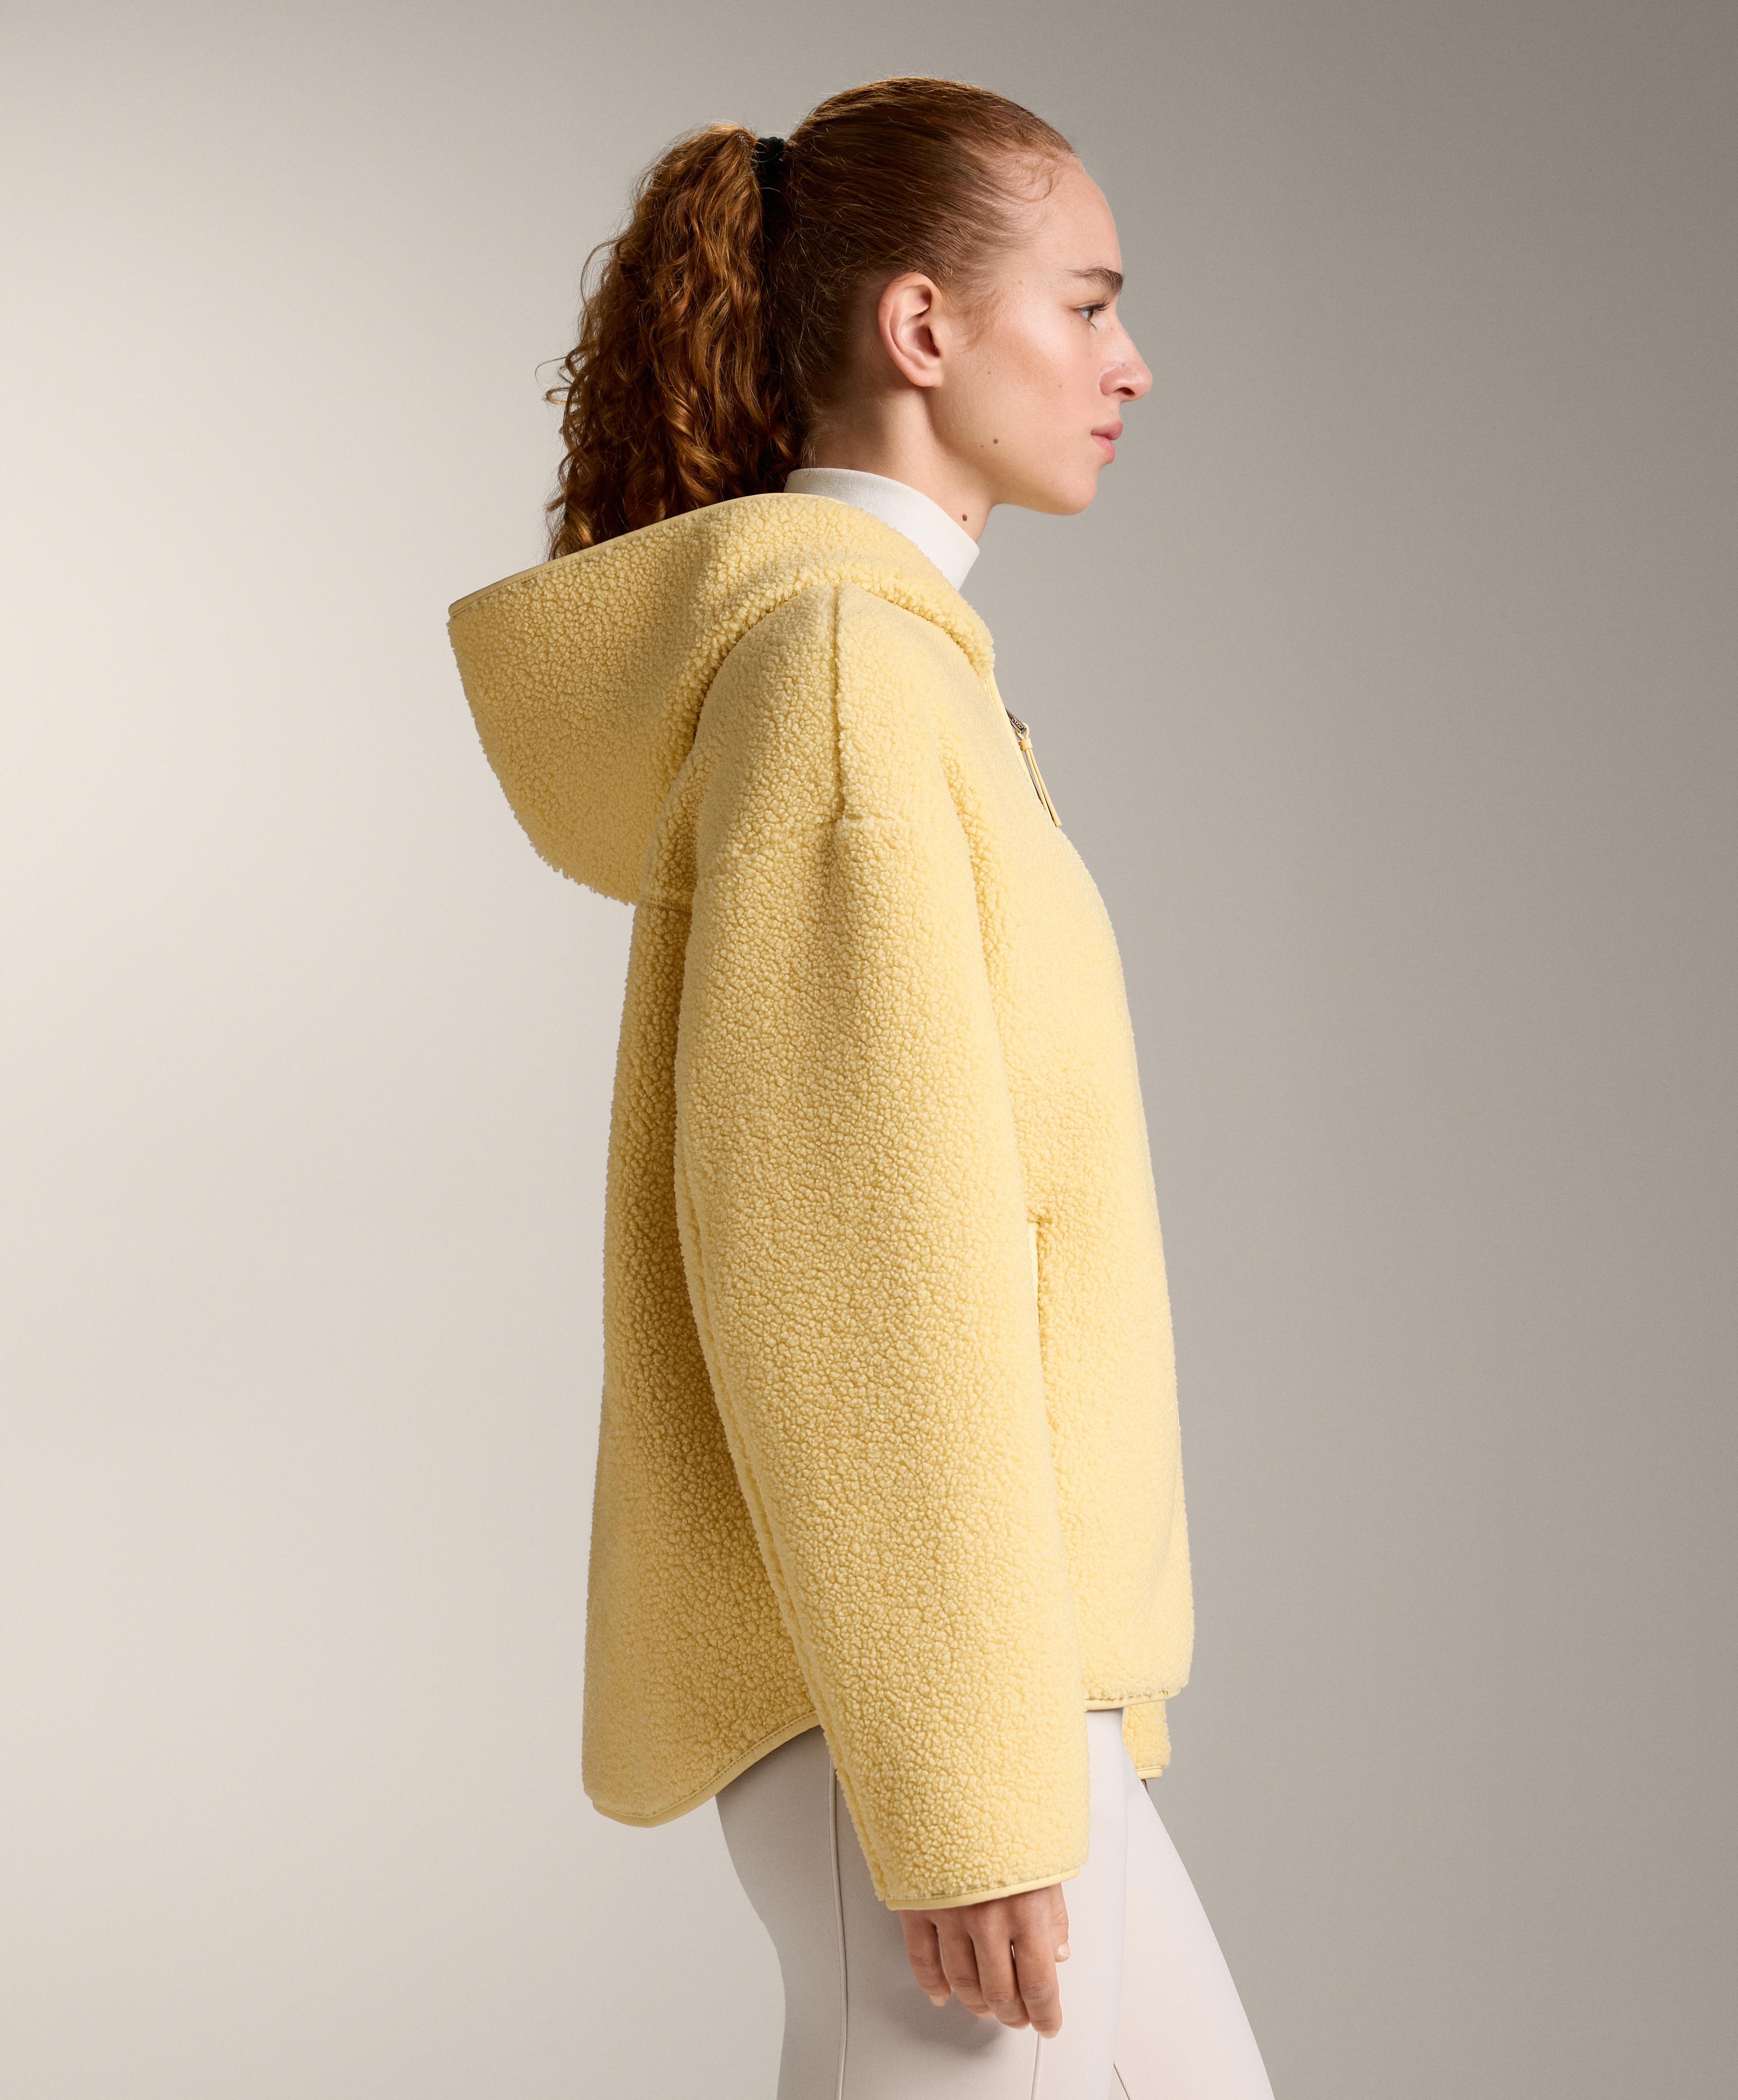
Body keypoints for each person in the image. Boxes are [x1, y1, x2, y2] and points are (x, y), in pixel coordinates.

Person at [449, 74, 1274, 2100]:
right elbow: (853, 1263)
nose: (1131, 365)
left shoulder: (894, 670)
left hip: (1005, 1687)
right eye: (1088, 305)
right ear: (922, 329)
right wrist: (965, 1787)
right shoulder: (840, 672)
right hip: (925, 1708)